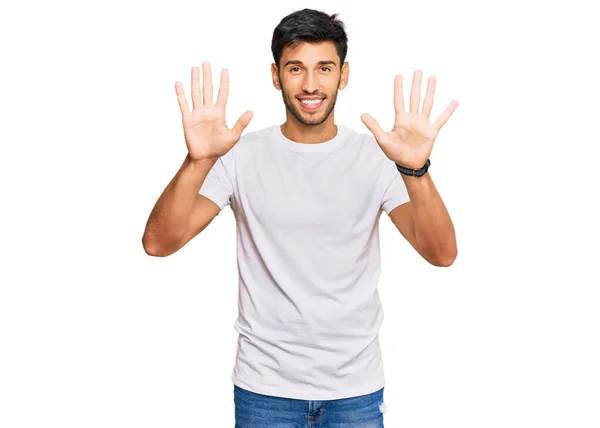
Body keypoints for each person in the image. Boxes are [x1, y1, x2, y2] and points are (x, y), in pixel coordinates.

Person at [142, 7, 458, 427]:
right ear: (276, 76)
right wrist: (197, 161)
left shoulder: (378, 157)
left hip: (355, 392)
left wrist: (415, 169)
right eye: (295, 68)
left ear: (343, 75)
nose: (310, 84)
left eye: (324, 68)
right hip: (265, 390)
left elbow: (441, 253)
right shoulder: (238, 156)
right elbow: (159, 243)